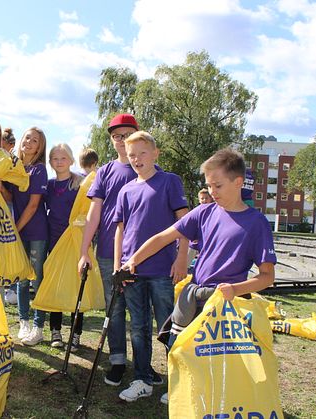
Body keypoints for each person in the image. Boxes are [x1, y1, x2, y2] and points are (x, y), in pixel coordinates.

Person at [119, 147, 276, 405]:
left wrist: (235, 289)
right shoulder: (204, 213)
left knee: (218, 356)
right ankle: (186, 386)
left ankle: (212, 395)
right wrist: (133, 260)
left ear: (238, 182)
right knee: (181, 345)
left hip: (227, 303)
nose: (212, 192)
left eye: (218, 185)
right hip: (196, 294)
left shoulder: (256, 222)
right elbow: (164, 237)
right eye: (208, 186)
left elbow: (267, 276)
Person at [111, 131, 189, 402]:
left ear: (155, 153)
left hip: (163, 270)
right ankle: (142, 378)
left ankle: (177, 382)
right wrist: (119, 264)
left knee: (168, 327)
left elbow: (184, 222)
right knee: (139, 327)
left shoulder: (170, 181)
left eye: (142, 153)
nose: (137, 159)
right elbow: (120, 230)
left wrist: (182, 258)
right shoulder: (126, 190)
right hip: (132, 272)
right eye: (132, 155)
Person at [77, 113, 149, 387]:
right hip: (109, 251)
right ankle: (117, 358)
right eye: (116, 136)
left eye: (126, 134)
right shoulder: (105, 172)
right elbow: (94, 213)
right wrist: (85, 250)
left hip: (142, 254)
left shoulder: (146, 168)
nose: (121, 141)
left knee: (141, 312)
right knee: (114, 308)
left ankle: (143, 365)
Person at [1, 127, 49, 345]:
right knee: (21, 279)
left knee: (36, 279)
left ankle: (38, 327)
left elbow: (32, 205)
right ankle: (24, 323)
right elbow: (12, 197)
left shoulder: (39, 170)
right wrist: (0, 187)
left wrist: (15, 230)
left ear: (40, 147)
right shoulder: (15, 166)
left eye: (35, 140)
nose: (29, 142)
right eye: (27, 138)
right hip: (18, 230)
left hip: (35, 231)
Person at [44, 144, 85, 350]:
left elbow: (87, 213)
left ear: (71, 160)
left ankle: (76, 334)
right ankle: (55, 331)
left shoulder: (79, 183)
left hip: (75, 242)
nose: (59, 162)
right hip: (54, 241)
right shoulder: (49, 185)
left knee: (77, 287)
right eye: (55, 159)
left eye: (63, 158)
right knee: (57, 286)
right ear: (50, 162)